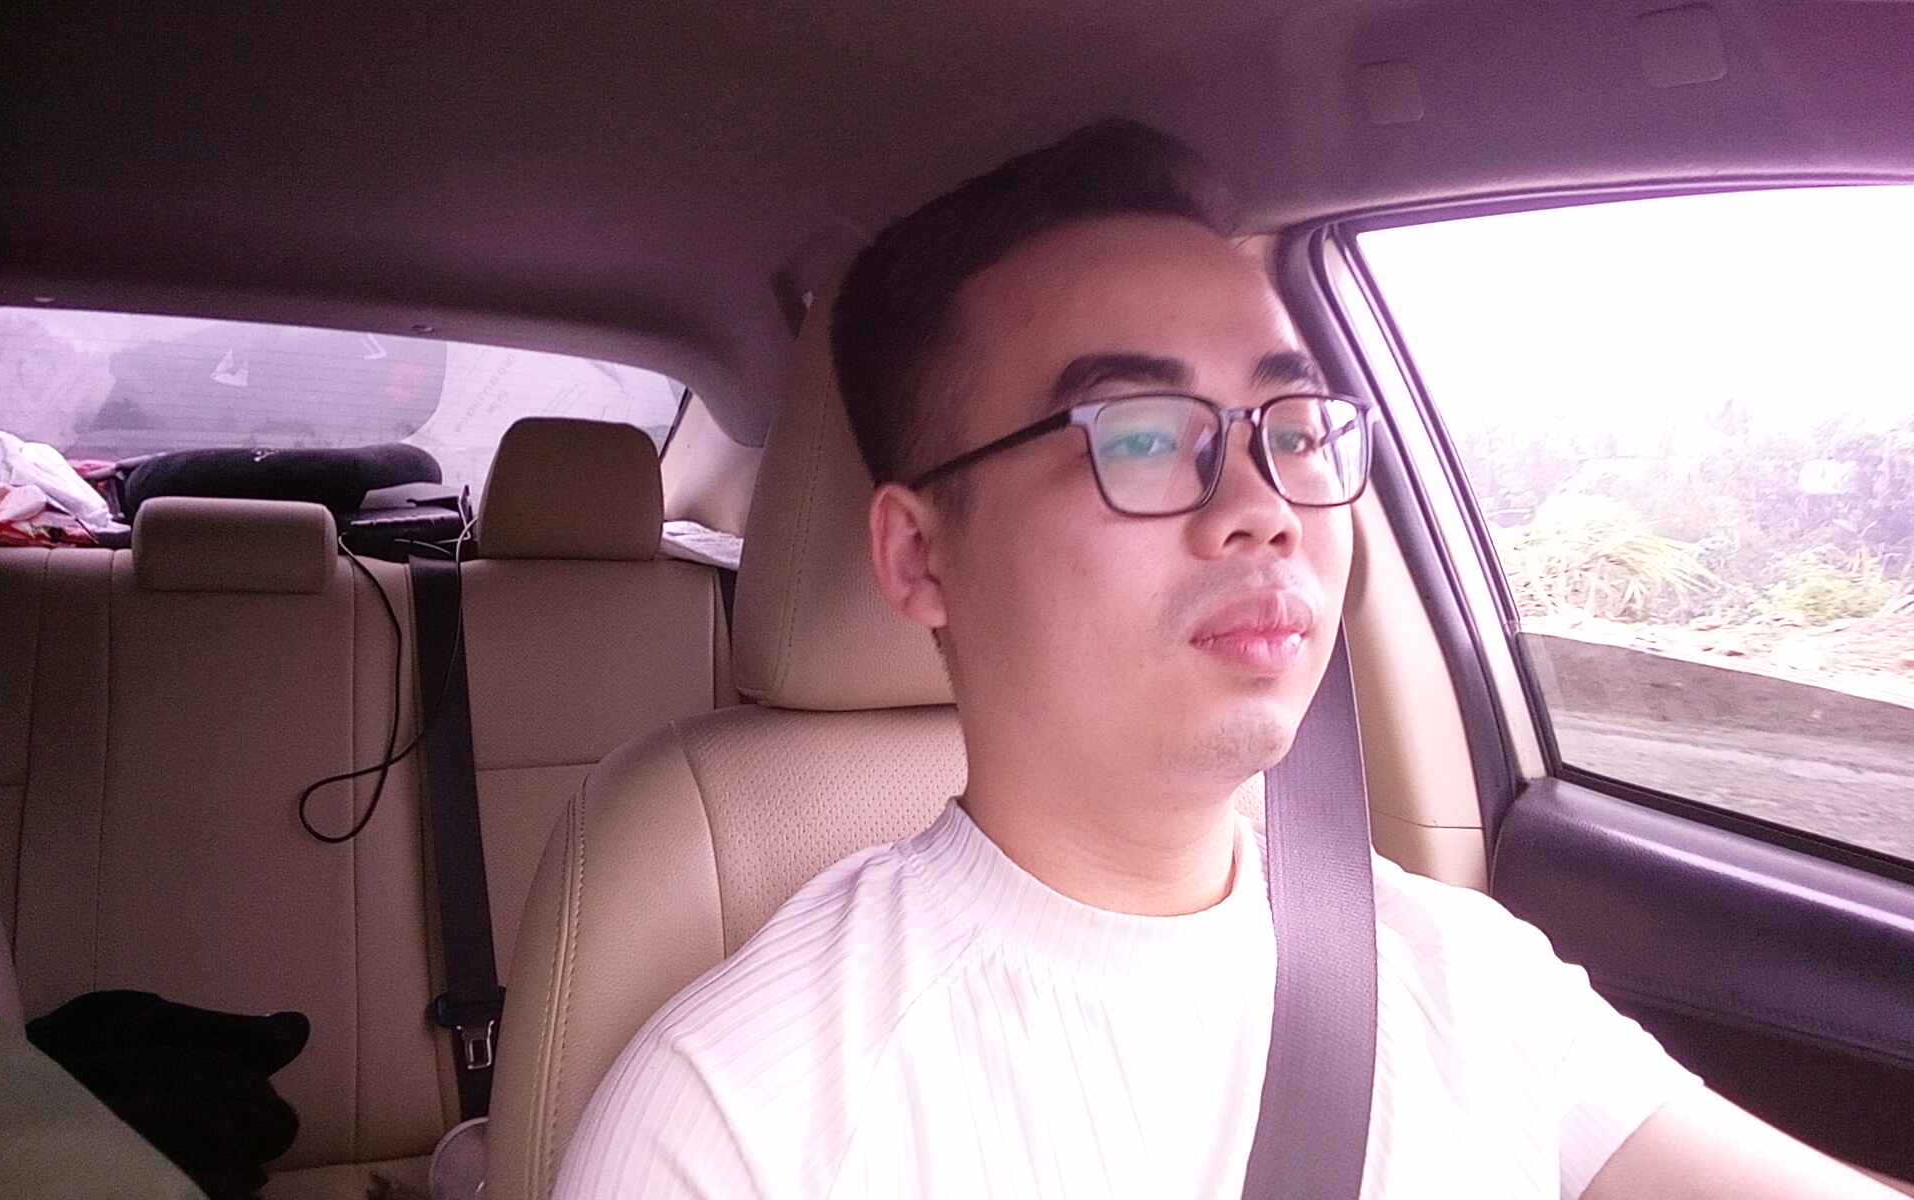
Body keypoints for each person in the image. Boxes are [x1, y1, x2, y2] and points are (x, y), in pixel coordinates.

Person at [554, 120, 1896, 1199]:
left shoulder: (1466, 978)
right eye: (1140, 434)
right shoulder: (742, 1119)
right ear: (918, 556)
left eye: (1295, 426)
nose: (1264, 505)